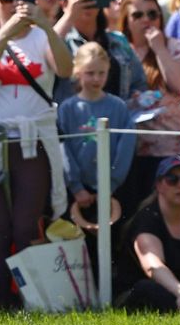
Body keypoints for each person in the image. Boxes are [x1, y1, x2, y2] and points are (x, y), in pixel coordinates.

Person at [0, 0, 73, 309]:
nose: (15, 5)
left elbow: (66, 69)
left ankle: (30, 299)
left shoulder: (43, 38)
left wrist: (45, 25)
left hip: (33, 142)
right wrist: (6, 35)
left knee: (26, 226)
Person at [115, 155, 180, 313]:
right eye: (172, 179)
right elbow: (153, 266)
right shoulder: (146, 220)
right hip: (139, 294)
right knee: (146, 288)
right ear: (158, 185)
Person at [119, 0, 180, 207]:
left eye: (152, 14)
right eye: (137, 15)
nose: (146, 20)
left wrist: (159, 49)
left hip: (171, 147)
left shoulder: (175, 47)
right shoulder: (119, 50)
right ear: (126, 20)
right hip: (132, 149)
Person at [58, 43, 136, 215]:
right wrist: (76, 187)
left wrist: (111, 185)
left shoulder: (118, 107)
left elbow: (125, 148)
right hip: (78, 192)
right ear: (78, 72)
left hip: (112, 189)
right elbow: (63, 149)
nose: (96, 79)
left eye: (102, 73)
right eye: (90, 73)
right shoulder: (67, 108)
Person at [54, 0, 146, 105]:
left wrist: (136, 99)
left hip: (115, 119)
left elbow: (139, 83)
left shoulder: (118, 41)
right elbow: (45, 49)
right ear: (64, 4)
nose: (87, 2)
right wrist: (69, 16)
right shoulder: (62, 41)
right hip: (74, 119)